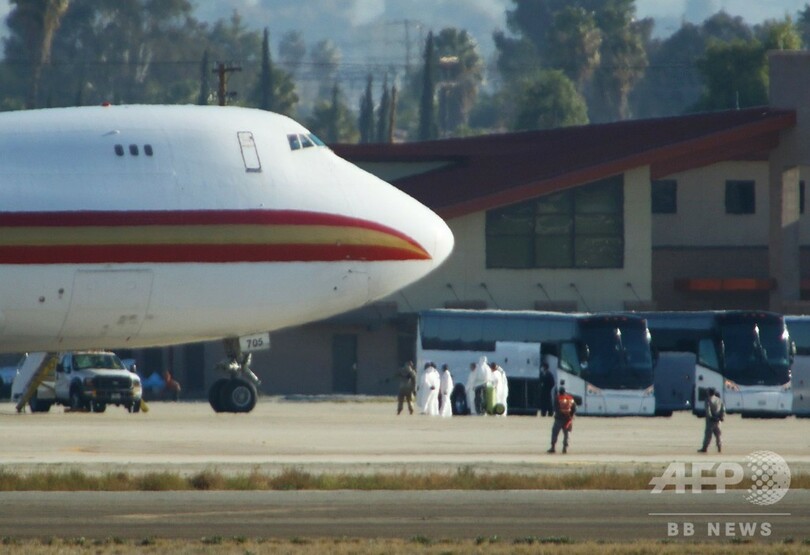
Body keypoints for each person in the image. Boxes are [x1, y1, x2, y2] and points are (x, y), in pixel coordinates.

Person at [548, 386, 576, 454]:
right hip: (568, 419)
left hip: (559, 419)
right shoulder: (570, 398)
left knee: (555, 433)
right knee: (566, 434)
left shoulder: (557, 398)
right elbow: (574, 407)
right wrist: (571, 416)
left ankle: (553, 447)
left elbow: (556, 408)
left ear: (559, 392)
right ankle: (565, 448)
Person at [698, 387, 725, 453]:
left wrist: (710, 417)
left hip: (711, 421)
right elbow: (723, 409)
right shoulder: (719, 400)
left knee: (708, 435)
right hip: (718, 420)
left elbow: (708, 410)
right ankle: (719, 448)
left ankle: (704, 448)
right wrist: (722, 417)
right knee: (718, 435)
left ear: (709, 392)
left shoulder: (708, 400)